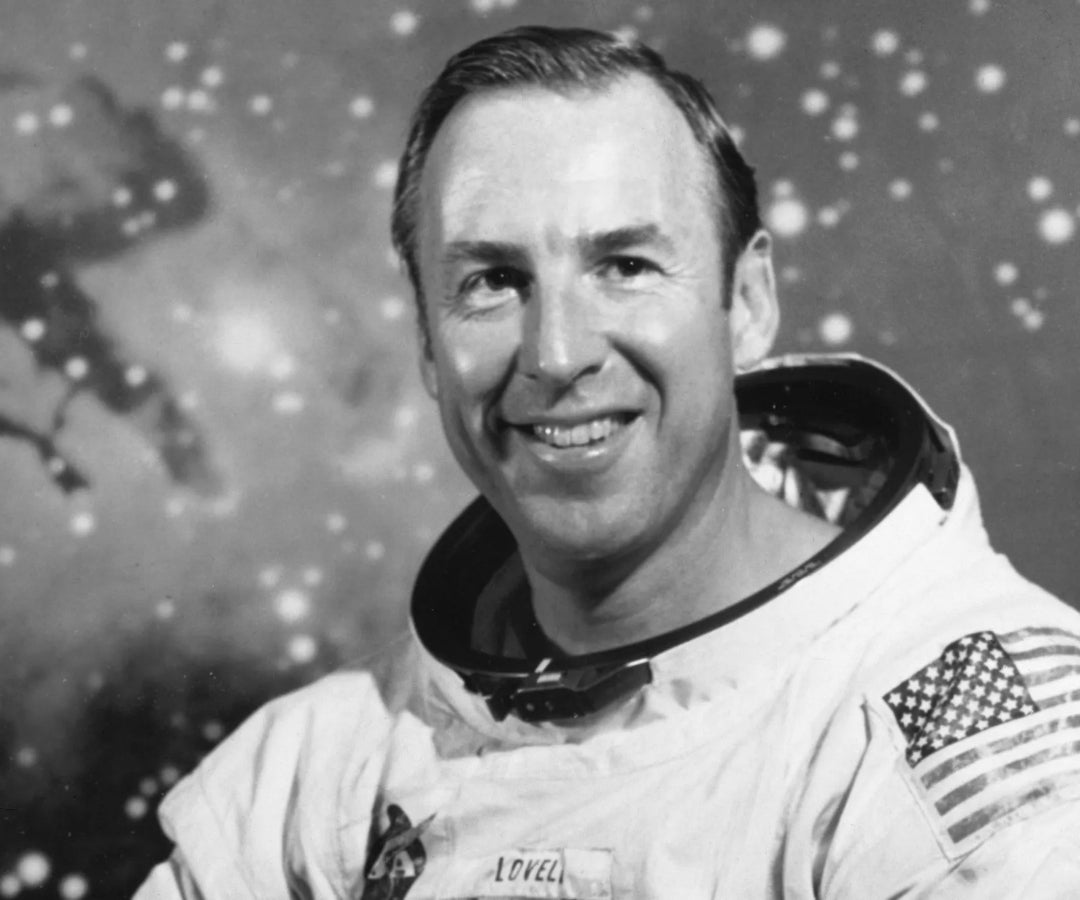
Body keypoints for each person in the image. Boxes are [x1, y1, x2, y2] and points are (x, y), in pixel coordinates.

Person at [135, 25, 1080, 899]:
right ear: (427, 343)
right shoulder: (314, 779)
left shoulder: (970, 738)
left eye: (625, 266)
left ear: (747, 303)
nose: (557, 354)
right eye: (492, 281)